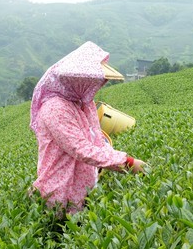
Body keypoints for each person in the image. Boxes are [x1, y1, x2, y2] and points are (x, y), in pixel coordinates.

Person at [30, 41, 146, 215]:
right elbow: (80, 148)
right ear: (77, 80)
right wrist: (127, 163)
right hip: (59, 191)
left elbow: (95, 138)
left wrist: (112, 156)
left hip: (83, 187)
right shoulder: (54, 109)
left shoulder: (82, 102)